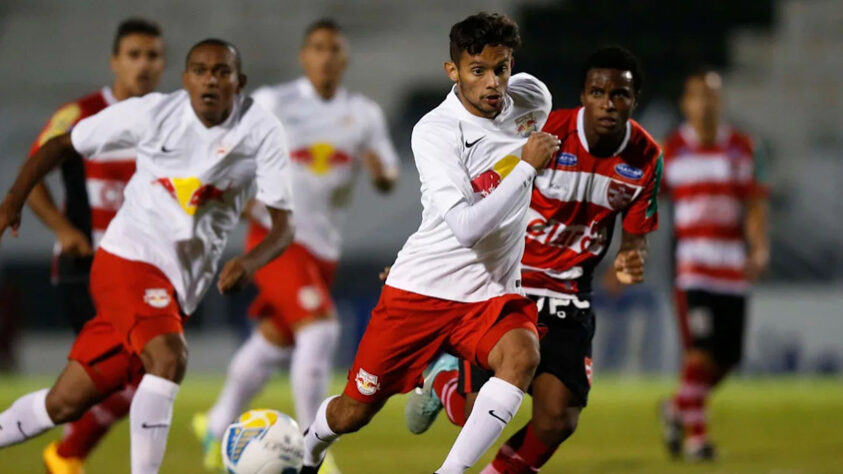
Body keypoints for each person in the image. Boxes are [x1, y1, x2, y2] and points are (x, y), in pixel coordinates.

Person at [0, 39, 295, 474]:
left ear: (239, 81)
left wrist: (250, 262)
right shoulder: (155, 113)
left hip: (179, 286)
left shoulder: (261, 130)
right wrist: (13, 200)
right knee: (169, 359)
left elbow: (284, 225)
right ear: (186, 79)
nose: (210, 79)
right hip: (127, 259)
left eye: (221, 71)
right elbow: (62, 145)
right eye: (200, 70)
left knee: (64, 403)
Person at [298, 12, 559, 474]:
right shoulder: (436, 131)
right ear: (453, 71)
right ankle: (308, 450)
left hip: (490, 292)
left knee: (522, 357)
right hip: (422, 291)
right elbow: (466, 228)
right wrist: (525, 167)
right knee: (354, 412)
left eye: (501, 67)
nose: (493, 82)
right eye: (478, 70)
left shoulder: (532, 99)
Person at [405, 46, 663, 474]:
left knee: (558, 419)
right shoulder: (544, 132)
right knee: (474, 415)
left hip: (569, 297)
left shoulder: (645, 155)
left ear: (634, 100)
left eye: (619, 94)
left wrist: (631, 260)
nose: (607, 103)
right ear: (582, 95)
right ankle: (444, 382)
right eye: (597, 91)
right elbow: (479, 195)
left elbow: (635, 238)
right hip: (509, 285)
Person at [195, 18, 399, 473]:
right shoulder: (274, 101)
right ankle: (314, 451)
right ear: (304, 56)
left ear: (344, 59)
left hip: (324, 247)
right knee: (322, 329)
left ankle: (216, 422)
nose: (326, 56)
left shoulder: (363, 113)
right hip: (277, 238)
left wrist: (382, 174)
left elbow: (388, 173)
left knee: (273, 341)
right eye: (318, 48)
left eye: (335, 49)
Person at [23, 18, 166, 473]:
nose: (143, 65)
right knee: (136, 375)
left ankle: (65, 454)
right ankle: (65, 455)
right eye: (134, 55)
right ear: (115, 62)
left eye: (153, 56)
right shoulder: (81, 114)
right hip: (85, 269)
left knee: (111, 379)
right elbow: (33, 174)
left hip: (140, 271)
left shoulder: (170, 122)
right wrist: (63, 229)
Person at [659, 69, 769, 461]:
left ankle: (675, 407)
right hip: (693, 269)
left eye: (712, 96)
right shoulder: (671, 150)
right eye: (697, 96)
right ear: (686, 103)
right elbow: (649, 200)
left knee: (725, 362)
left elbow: (754, 203)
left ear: (721, 102)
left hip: (733, 269)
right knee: (700, 354)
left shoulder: (741, 146)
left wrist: (758, 250)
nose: (705, 103)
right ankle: (696, 439)